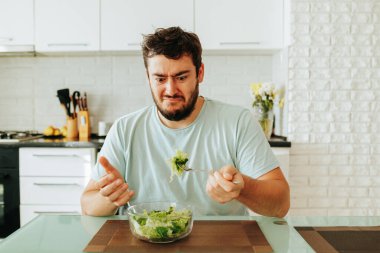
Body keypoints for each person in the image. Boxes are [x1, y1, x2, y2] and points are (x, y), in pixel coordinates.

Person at [81, 27, 290, 218]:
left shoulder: (237, 123)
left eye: (181, 77)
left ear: (200, 73)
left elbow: (281, 204)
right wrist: (108, 198)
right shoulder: (125, 130)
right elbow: (87, 205)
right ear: (148, 77)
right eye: (160, 79)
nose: (170, 90)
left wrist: (243, 189)